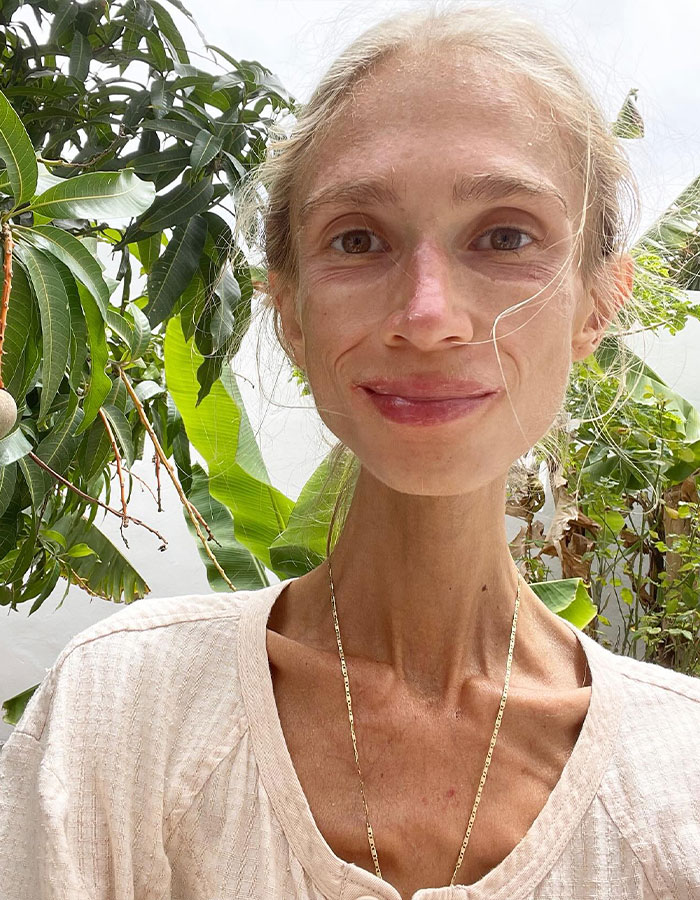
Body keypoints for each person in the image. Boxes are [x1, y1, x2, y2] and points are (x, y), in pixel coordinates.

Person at [1, 5, 699, 899]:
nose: (427, 316)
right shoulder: (121, 713)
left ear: (597, 303)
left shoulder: (677, 781)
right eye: (359, 239)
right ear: (288, 307)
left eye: (507, 236)